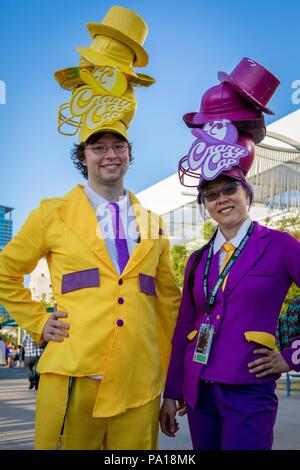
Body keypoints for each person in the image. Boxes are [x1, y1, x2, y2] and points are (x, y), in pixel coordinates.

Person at [0, 6, 180, 450]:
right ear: (83, 156)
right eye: (98, 147)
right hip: (73, 382)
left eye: (118, 145)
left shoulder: (154, 224)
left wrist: (172, 386)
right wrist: (39, 323)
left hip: (139, 389)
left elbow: (169, 308)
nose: (109, 154)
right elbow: (5, 271)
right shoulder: (51, 213)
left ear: (129, 153)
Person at [160, 58, 300, 450]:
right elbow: (181, 330)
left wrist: (290, 357)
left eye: (230, 191)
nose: (222, 200)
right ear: (204, 204)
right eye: (212, 195)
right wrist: (172, 392)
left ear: (247, 194)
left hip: (249, 391)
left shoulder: (280, 246)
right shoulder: (197, 261)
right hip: (199, 391)